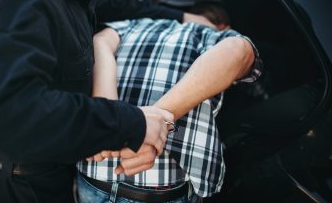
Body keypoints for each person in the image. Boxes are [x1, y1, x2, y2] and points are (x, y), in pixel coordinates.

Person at [0, 0, 214, 202]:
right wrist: (129, 123)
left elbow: (111, 6)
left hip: (51, 168)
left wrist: (184, 17)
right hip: (23, 184)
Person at [76, 11, 262, 202]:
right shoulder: (213, 35)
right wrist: (140, 126)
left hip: (95, 172)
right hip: (158, 185)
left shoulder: (133, 24)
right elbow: (238, 50)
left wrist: (114, 120)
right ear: (224, 26)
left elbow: (99, 42)